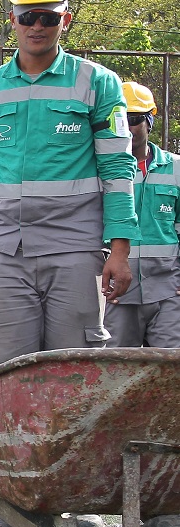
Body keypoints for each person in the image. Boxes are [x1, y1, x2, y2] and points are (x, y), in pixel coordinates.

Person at [0, 0, 138, 527]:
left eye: (48, 16)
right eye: (26, 16)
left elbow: (118, 171)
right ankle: (12, 509)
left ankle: (68, 503)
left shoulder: (98, 83)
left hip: (73, 252)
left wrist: (120, 249)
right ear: (11, 17)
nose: (36, 26)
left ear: (66, 18)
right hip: (4, 253)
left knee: (71, 380)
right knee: (7, 378)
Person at [104, 82, 180, 347]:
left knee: (170, 370)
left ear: (150, 120)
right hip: (115, 294)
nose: (126, 127)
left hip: (168, 292)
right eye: (118, 119)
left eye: (134, 119)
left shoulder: (176, 169)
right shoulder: (97, 172)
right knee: (115, 370)